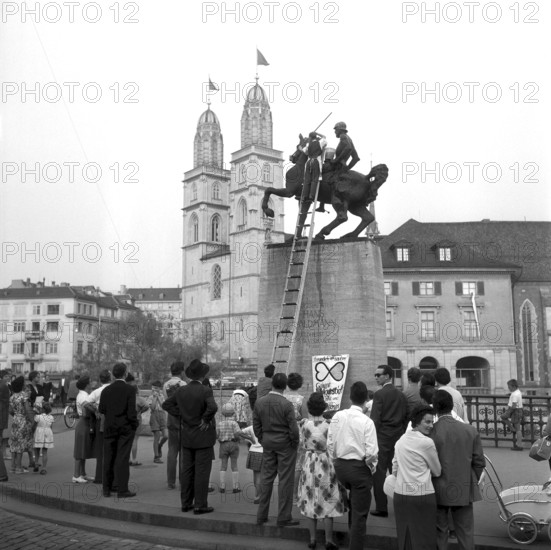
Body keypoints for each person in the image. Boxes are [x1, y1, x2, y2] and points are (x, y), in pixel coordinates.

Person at [431, 390, 485, 550]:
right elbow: (479, 462)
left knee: (439, 530)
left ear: (435, 408)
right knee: (465, 531)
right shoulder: (470, 430)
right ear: (452, 406)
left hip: (437, 486)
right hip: (463, 485)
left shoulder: (430, 431)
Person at [327, 381, 378, 550]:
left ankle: (352, 539)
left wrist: (334, 460)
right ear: (366, 399)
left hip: (340, 467)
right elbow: (372, 453)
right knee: (359, 513)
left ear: (350, 397)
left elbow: (330, 443)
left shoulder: (337, 416)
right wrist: (371, 469)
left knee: (355, 507)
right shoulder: (367, 421)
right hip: (359, 468)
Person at [163, 359, 217, 514]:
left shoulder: (181, 391)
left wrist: (183, 416)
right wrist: (205, 419)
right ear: (202, 376)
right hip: (203, 436)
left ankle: (186, 503)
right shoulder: (205, 390)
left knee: (187, 470)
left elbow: (166, 405)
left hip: (187, 434)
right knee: (202, 471)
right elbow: (213, 407)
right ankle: (200, 504)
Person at [298, 392, 347, 550]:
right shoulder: (329, 424)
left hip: (310, 462)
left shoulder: (304, 424)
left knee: (310, 499)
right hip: (326, 462)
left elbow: (301, 443)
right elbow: (334, 444)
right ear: (324, 407)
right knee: (327, 498)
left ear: (309, 408)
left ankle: (312, 539)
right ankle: (328, 540)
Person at [391, 404, 442, 550]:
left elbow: (394, 469)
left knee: (405, 539)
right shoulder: (427, 443)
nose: (431, 425)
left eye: (432, 421)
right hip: (422, 495)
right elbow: (437, 471)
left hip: (401, 495)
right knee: (424, 538)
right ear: (417, 421)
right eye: (427, 421)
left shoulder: (400, 440)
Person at [253, 372, 300, 527]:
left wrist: (262, 439)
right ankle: (284, 517)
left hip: (268, 442)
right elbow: (293, 428)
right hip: (285, 444)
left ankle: (261, 515)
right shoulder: (286, 404)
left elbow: (256, 425)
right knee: (285, 480)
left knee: (266, 478)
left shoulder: (260, 402)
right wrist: (294, 442)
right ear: (285, 386)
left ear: (272, 384)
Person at [370, 364, 408, 518]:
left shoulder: (379, 395)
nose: (376, 377)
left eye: (378, 375)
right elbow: (407, 416)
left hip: (382, 436)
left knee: (379, 473)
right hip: (398, 435)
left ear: (387, 376)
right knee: (398, 471)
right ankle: (401, 505)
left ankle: (381, 507)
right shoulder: (401, 394)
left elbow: (375, 420)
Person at [99, 363, 139, 498]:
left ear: (113, 374)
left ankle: (107, 488)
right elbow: (131, 412)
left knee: (108, 457)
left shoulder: (106, 390)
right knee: (122, 457)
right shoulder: (130, 390)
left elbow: (102, 409)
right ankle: (122, 488)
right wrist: (134, 424)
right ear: (125, 373)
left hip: (110, 426)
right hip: (125, 427)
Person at [216, 402, 253, 493]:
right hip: (233, 444)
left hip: (223, 445)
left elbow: (217, 435)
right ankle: (235, 487)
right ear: (233, 413)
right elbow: (238, 433)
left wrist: (220, 439)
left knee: (223, 465)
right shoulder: (234, 423)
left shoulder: (220, 424)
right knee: (234, 465)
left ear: (223, 413)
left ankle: (222, 486)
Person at [83, 369, 112, 484]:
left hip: (100, 420)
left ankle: (99, 476)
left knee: (100, 449)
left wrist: (95, 410)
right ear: (110, 378)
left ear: (100, 379)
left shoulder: (97, 391)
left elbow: (85, 403)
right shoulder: (113, 389)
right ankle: (110, 476)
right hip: (112, 420)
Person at [163, 361, 187, 489]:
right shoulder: (183, 384)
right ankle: (183, 480)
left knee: (172, 450)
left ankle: (170, 482)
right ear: (181, 371)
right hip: (182, 418)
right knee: (183, 451)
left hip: (171, 418)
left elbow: (167, 401)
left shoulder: (165, 385)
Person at [8, 376, 35, 475]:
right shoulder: (24, 396)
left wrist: (16, 415)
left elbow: (10, 410)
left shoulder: (12, 396)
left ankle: (13, 467)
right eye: (24, 383)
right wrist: (33, 421)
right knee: (21, 444)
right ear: (21, 385)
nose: (25, 384)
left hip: (15, 420)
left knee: (14, 443)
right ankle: (19, 468)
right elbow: (28, 409)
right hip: (23, 420)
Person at [72, 376, 95, 483]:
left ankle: (82, 473)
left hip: (84, 423)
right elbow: (88, 407)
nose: (91, 385)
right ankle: (76, 475)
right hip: (83, 423)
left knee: (83, 450)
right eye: (90, 383)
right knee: (79, 450)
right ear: (86, 385)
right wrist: (97, 410)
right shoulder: (82, 396)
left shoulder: (84, 394)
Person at [126, 374, 149, 467]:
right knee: (135, 439)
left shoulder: (127, 398)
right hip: (137, 419)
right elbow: (147, 406)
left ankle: (127, 459)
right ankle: (134, 459)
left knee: (127, 440)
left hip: (127, 420)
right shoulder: (139, 399)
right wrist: (140, 412)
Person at [302, 131, 327, 212]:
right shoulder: (320, 142)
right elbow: (325, 137)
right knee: (314, 179)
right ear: (316, 137)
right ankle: (311, 196)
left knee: (307, 180)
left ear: (310, 138)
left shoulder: (308, 145)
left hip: (308, 163)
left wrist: (307, 141)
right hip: (316, 161)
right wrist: (318, 133)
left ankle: (304, 196)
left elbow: (304, 151)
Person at [241, 423, 263, 504]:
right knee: (265, 476)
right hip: (265, 452)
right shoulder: (268, 426)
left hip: (253, 451)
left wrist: (250, 439)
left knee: (256, 475)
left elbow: (239, 432)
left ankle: (257, 495)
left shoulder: (252, 427)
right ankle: (261, 495)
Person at [500, 379, 524, 451]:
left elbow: (514, 405)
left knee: (517, 428)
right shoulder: (517, 392)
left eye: (509, 386)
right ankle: (518, 443)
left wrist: (508, 412)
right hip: (519, 410)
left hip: (514, 411)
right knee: (518, 428)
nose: (508, 388)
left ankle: (519, 445)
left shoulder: (515, 395)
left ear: (513, 386)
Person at [148, 381, 168, 463]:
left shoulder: (162, 396)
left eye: (156, 388)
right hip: (154, 416)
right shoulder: (150, 397)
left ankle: (160, 445)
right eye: (153, 388)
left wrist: (158, 397)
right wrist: (154, 397)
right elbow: (152, 407)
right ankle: (156, 456)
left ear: (159, 388)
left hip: (162, 415)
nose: (154, 390)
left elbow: (163, 406)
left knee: (166, 436)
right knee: (156, 436)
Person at [33, 402, 54, 475]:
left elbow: (34, 425)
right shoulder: (51, 417)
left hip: (39, 433)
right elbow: (51, 427)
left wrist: (32, 432)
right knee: (45, 452)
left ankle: (36, 463)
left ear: (42, 409)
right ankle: (44, 468)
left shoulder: (38, 417)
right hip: (47, 433)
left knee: (37, 450)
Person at [0, 370, 10, 466]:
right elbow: (6, 401)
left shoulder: (5, 385)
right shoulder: (4, 386)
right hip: (3, 412)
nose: (8, 377)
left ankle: (3, 453)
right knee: (3, 435)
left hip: (4, 411)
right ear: (2, 377)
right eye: (6, 376)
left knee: (4, 435)